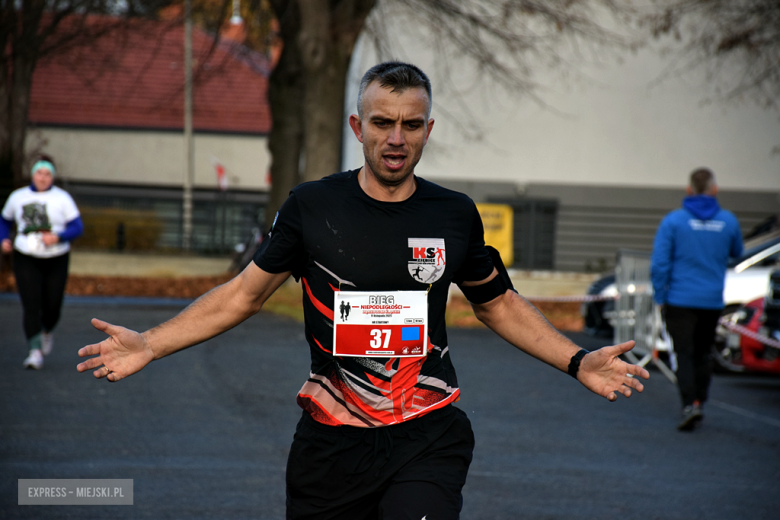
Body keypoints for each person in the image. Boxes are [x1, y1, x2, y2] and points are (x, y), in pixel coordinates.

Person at [77, 62, 649, 519]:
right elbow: (241, 296)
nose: (395, 138)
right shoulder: (312, 207)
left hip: (427, 432)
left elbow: (497, 302)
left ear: (428, 129)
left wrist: (578, 362)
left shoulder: (454, 214)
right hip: (332, 444)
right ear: (358, 127)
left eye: (410, 124)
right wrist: (151, 343)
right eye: (381, 122)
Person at [651, 168, 743, 431]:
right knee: (704, 354)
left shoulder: (674, 221)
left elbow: (660, 263)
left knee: (684, 354)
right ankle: (700, 401)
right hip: (711, 300)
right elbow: (737, 251)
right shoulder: (728, 221)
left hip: (679, 299)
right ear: (714, 189)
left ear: (689, 189)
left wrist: (660, 295)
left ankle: (689, 404)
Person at [1, 155, 84, 369]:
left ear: (52, 176)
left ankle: (46, 331)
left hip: (56, 257)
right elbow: (4, 220)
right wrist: (4, 239)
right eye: (40, 172)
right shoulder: (18, 197)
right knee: (31, 304)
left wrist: (58, 237)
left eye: (47, 174)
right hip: (25, 256)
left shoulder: (62, 198)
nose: (43, 177)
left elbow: (77, 227)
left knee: (53, 305)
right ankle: (34, 351)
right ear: (33, 174)